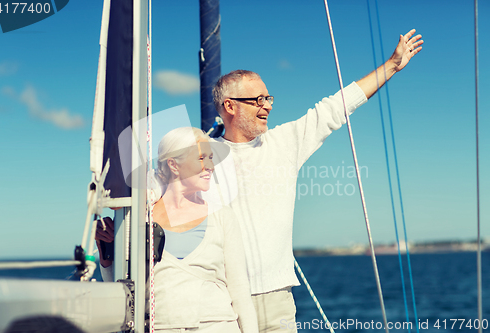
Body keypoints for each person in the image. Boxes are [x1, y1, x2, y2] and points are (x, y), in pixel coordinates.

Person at [210, 29, 423, 332]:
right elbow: (157, 198)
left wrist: (391, 65)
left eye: (268, 98)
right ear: (230, 106)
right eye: (258, 100)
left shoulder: (283, 143)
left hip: (277, 301)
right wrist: (116, 234)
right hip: (223, 302)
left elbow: (335, 108)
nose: (267, 106)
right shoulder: (203, 157)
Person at [96, 127, 258, 333]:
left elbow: (241, 293)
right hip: (161, 327)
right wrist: (106, 253)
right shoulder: (140, 218)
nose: (210, 166)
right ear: (173, 164)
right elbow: (121, 288)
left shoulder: (223, 217)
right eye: (201, 158)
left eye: (211, 158)